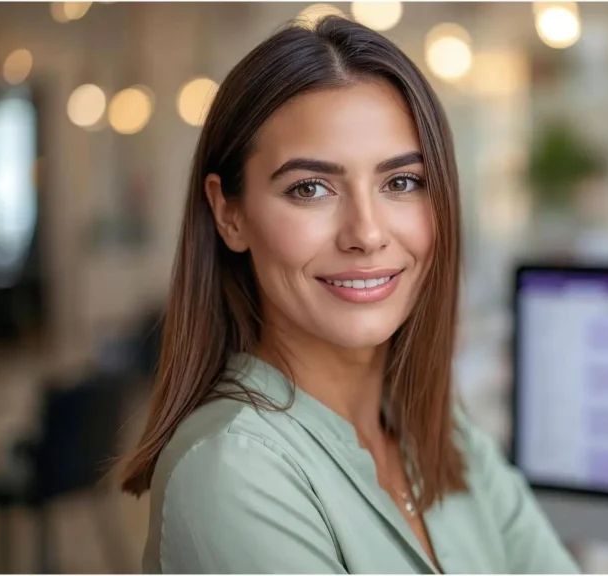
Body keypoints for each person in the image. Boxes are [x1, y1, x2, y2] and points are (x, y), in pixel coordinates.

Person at [117, 16, 579, 574]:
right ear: (229, 214)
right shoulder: (231, 472)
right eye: (310, 188)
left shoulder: (438, 431)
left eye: (401, 182)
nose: (366, 233)